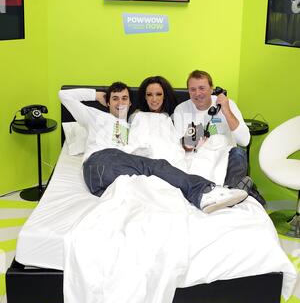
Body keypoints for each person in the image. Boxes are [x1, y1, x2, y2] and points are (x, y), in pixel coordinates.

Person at [59, 82, 248, 214]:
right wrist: (97, 95)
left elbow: (173, 142)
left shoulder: (129, 127)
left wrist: (193, 138)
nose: (120, 103)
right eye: (115, 99)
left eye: (124, 98)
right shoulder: (95, 116)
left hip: (109, 177)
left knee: (151, 188)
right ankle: (204, 193)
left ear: (131, 103)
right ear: (108, 102)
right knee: (157, 166)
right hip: (100, 162)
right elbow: (64, 95)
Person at [173, 70, 266, 206]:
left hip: (226, 158)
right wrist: (201, 128)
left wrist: (226, 111)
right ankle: (242, 189)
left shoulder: (228, 105)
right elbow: (183, 147)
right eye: (193, 89)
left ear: (212, 89)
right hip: (197, 160)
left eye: (202, 88)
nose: (197, 93)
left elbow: (244, 141)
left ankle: (229, 192)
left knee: (239, 153)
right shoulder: (181, 109)